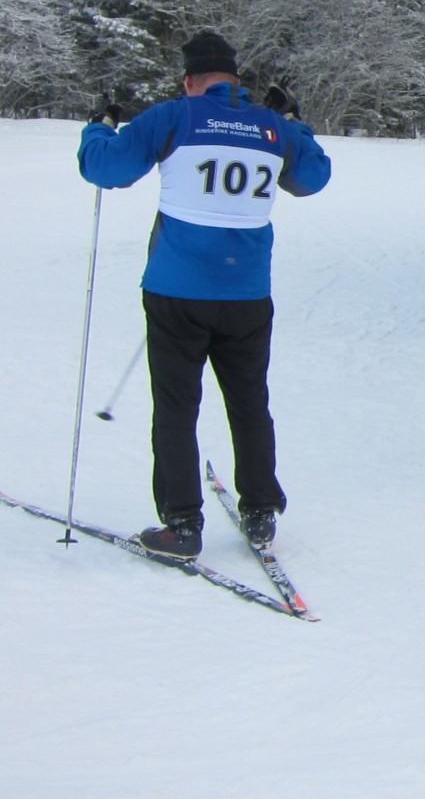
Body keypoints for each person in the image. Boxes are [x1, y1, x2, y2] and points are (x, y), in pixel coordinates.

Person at [75, 33, 331, 558]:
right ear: (235, 79)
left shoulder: (176, 115)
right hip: (247, 294)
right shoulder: (270, 126)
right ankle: (261, 511)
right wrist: (293, 124)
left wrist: (97, 129)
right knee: (249, 402)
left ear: (190, 80)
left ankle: (182, 524)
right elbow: (313, 177)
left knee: (175, 407)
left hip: (177, 293)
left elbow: (105, 169)